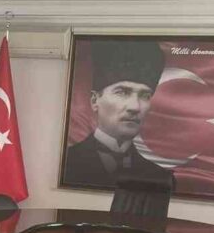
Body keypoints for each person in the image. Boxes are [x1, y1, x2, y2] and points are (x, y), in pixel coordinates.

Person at [62, 39, 172, 189]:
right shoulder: (65, 164)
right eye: (122, 92)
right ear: (95, 100)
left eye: (145, 95)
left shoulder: (160, 178)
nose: (135, 107)